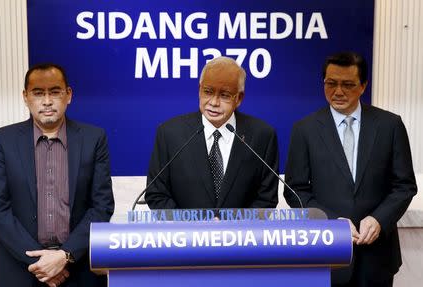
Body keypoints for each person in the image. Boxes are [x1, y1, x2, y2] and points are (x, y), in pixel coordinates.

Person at [284, 51, 417, 286]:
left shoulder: (389, 125)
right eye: (331, 83)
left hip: (377, 256)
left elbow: (404, 186)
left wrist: (378, 219)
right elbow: (295, 191)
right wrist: (332, 222)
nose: (338, 92)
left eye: (347, 85)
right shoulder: (304, 129)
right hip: (326, 252)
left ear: (363, 86)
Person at [0, 64, 115, 287]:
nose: (47, 101)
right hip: (19, 271)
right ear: (25, 97)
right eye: (38, 93)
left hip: (79, 270)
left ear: (69, 95)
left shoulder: (93, 138)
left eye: (55, 92)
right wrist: (42, 263)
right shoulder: (3, 140)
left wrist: (65, 256)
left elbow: (102, 206)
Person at [145, 56, 278, 209]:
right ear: (199, 90)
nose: (214, 102)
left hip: (241, 232)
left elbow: (266, 199)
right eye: (208, 92)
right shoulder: (169, 134)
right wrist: (192, 228)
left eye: (224, 95)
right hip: (186, 231)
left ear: (239, 98)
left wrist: (234, 229)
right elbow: (156, 194)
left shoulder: (262, 136)